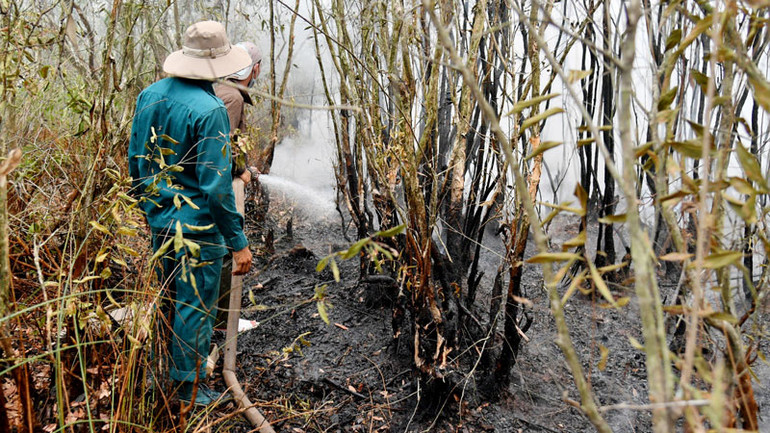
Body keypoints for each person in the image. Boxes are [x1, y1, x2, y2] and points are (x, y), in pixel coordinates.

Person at [128, 20, 253, 406]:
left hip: (160, 222)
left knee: (166, 301)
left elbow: (135, 160)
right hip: (198, 230)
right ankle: (188, 391)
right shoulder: (210, 109)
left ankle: (159, 375)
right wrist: (238, 242)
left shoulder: (148, 95)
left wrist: (151, 209)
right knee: (194, 308)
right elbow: (216, 186)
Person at [214, 41, 262, 330]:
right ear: (254, 69)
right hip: (219, 185)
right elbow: (223, 146)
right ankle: (222, 320)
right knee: (224, 249)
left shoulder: (222, 89)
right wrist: (240, 169)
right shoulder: (233, 97)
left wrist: (246, 167)